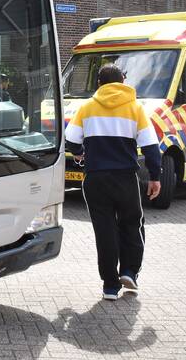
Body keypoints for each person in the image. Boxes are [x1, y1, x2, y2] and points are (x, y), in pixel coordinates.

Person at [64, 64, 161, 300]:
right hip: (125, 178)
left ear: (99, 84)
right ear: (122, 82)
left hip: (95, 178)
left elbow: (71, 139)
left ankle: (109, 285)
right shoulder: (135, 108)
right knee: (132, 223)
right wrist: (155, 176)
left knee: (104, 230)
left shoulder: (86, 108)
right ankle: (129, 271)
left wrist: (79, 152)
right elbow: (151, 146)